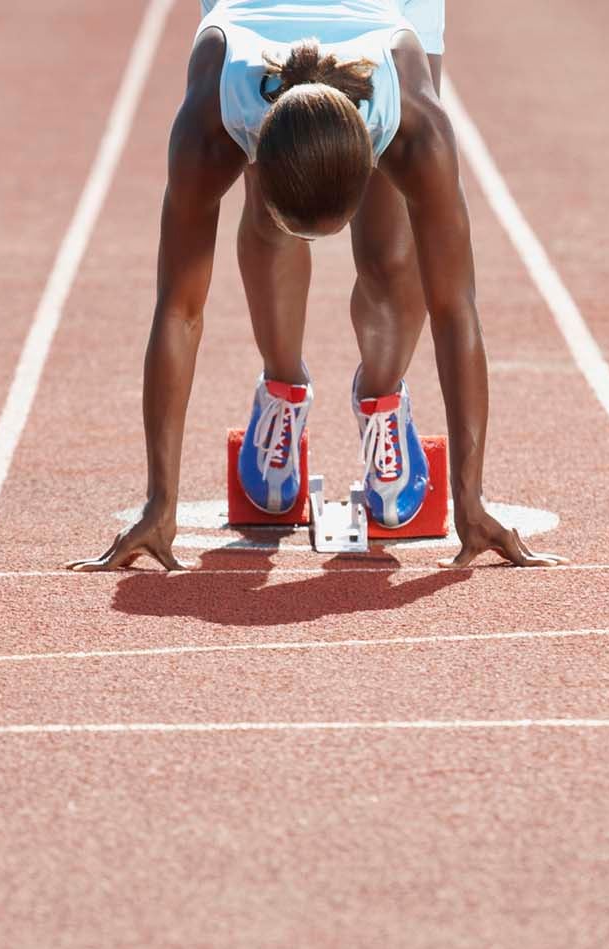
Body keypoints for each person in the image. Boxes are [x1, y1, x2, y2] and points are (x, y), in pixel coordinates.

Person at [71, 0, 560, 571]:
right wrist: (160, 502)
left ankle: (384, 399)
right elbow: (179, 308)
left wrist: (469, 501)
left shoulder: (415, 128)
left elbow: (454, 306)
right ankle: (282, 389)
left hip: (385, 12)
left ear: (373, 150)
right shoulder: (213, 119)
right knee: (271, 229)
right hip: (252, 22)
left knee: (391, 247)